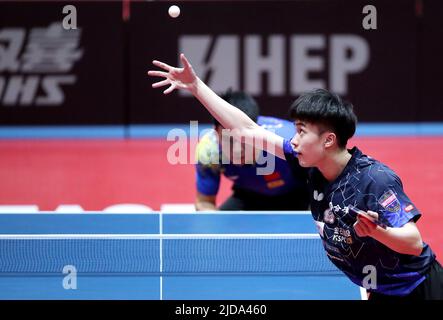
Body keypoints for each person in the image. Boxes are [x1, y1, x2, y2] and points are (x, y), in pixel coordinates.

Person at [148, 54, 443, 299]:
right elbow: (248, 130)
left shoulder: (374, 180)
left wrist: (377, 232)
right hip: (379, 288)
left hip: (419, 289)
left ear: (328, 141)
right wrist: (197, 86)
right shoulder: (309, 162)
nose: (294, 139)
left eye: (301, 131)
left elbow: (414, 243)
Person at [195, 89, 310, 211]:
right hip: (248, 195)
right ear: (216, 133)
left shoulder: (290, 141)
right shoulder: (209, 152)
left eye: (244, 140)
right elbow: (204, 202)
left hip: (298, 195)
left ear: (256, 130)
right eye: (229, 140)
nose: (238, 151)